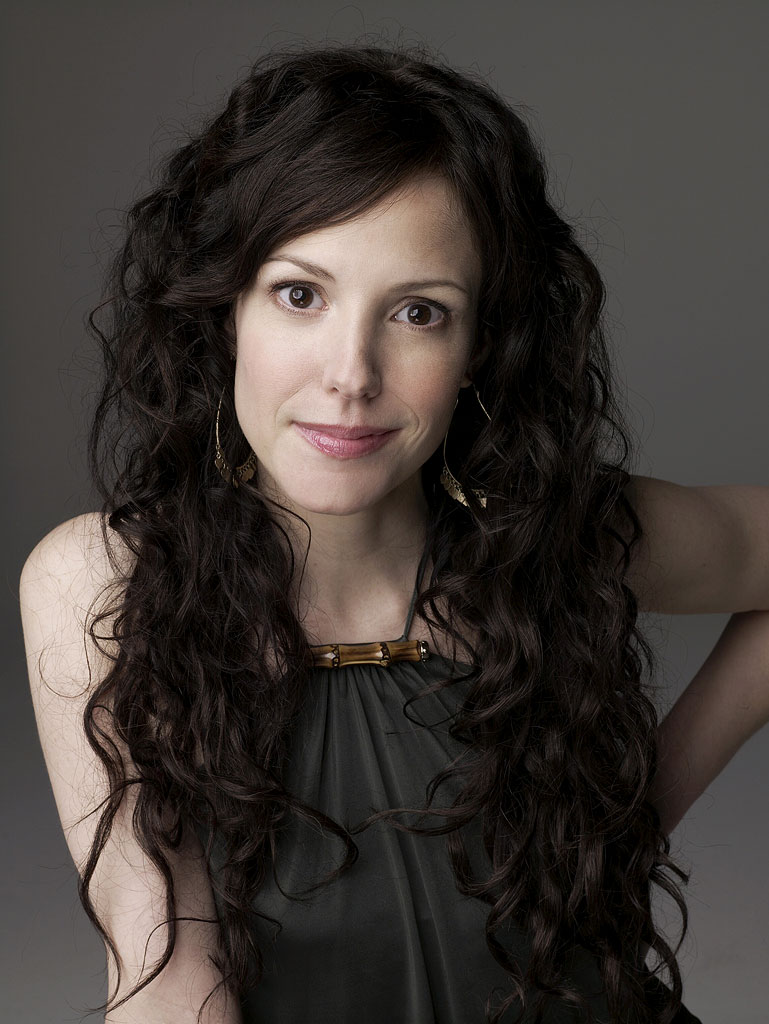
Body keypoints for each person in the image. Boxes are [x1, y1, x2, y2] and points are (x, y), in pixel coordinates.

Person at [21, 42, 769, 1024]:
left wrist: (619, 823)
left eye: (418, 312)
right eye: (299, 294)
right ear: (225, 310)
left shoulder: (562, 534)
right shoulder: (104, 581)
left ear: (479, 346)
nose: (351, 374)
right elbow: (164, 978)